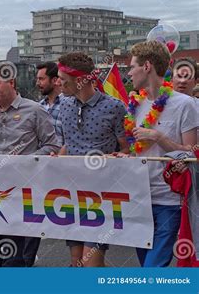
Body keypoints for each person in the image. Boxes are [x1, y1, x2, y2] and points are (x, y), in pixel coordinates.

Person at [0, 61, 60, 267]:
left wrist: (24, 162)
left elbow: (52, 146)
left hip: (25, 193)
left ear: (11, 83)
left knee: (16, 259)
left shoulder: (34, 110)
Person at [126, 41, 197, 267]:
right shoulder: (134, 104)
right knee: (146, 265)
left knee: (153, 269)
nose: (129, 73)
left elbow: (192, 153)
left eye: (132, 66)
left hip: (169, 199)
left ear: (147, 66)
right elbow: (133, 150)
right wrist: (121, 156)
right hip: (138, 198)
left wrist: (158, 137)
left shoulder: (185, 104)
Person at [56, 52, 129, 267]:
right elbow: (68, 144)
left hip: (101, 194)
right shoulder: (65, 104)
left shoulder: (114, 107)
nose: (58, 83)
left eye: (63, 79)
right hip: (71, 191)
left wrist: (117, 157)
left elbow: (126, 148)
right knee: (76, 261)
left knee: (91, 263)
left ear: (80, 81)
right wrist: (52, 163)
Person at [36, 61, 64, 143]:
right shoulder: (39, 106)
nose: (37, 83)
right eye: (37, 79)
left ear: (54, 80)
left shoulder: (69, 105)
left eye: (41, 79)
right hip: (43, 154)